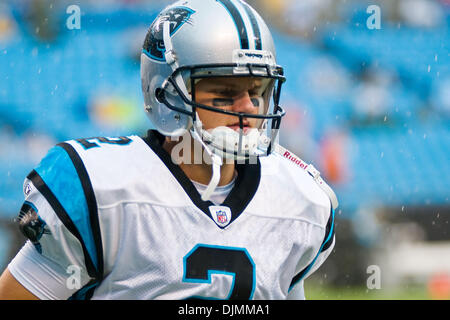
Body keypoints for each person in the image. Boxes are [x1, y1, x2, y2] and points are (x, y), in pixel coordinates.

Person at [0, 0, 337, 300]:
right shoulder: (103, 188)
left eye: (257, 90)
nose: (248, 107)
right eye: (225, 92)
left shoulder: (301, 199)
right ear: (167, 95)